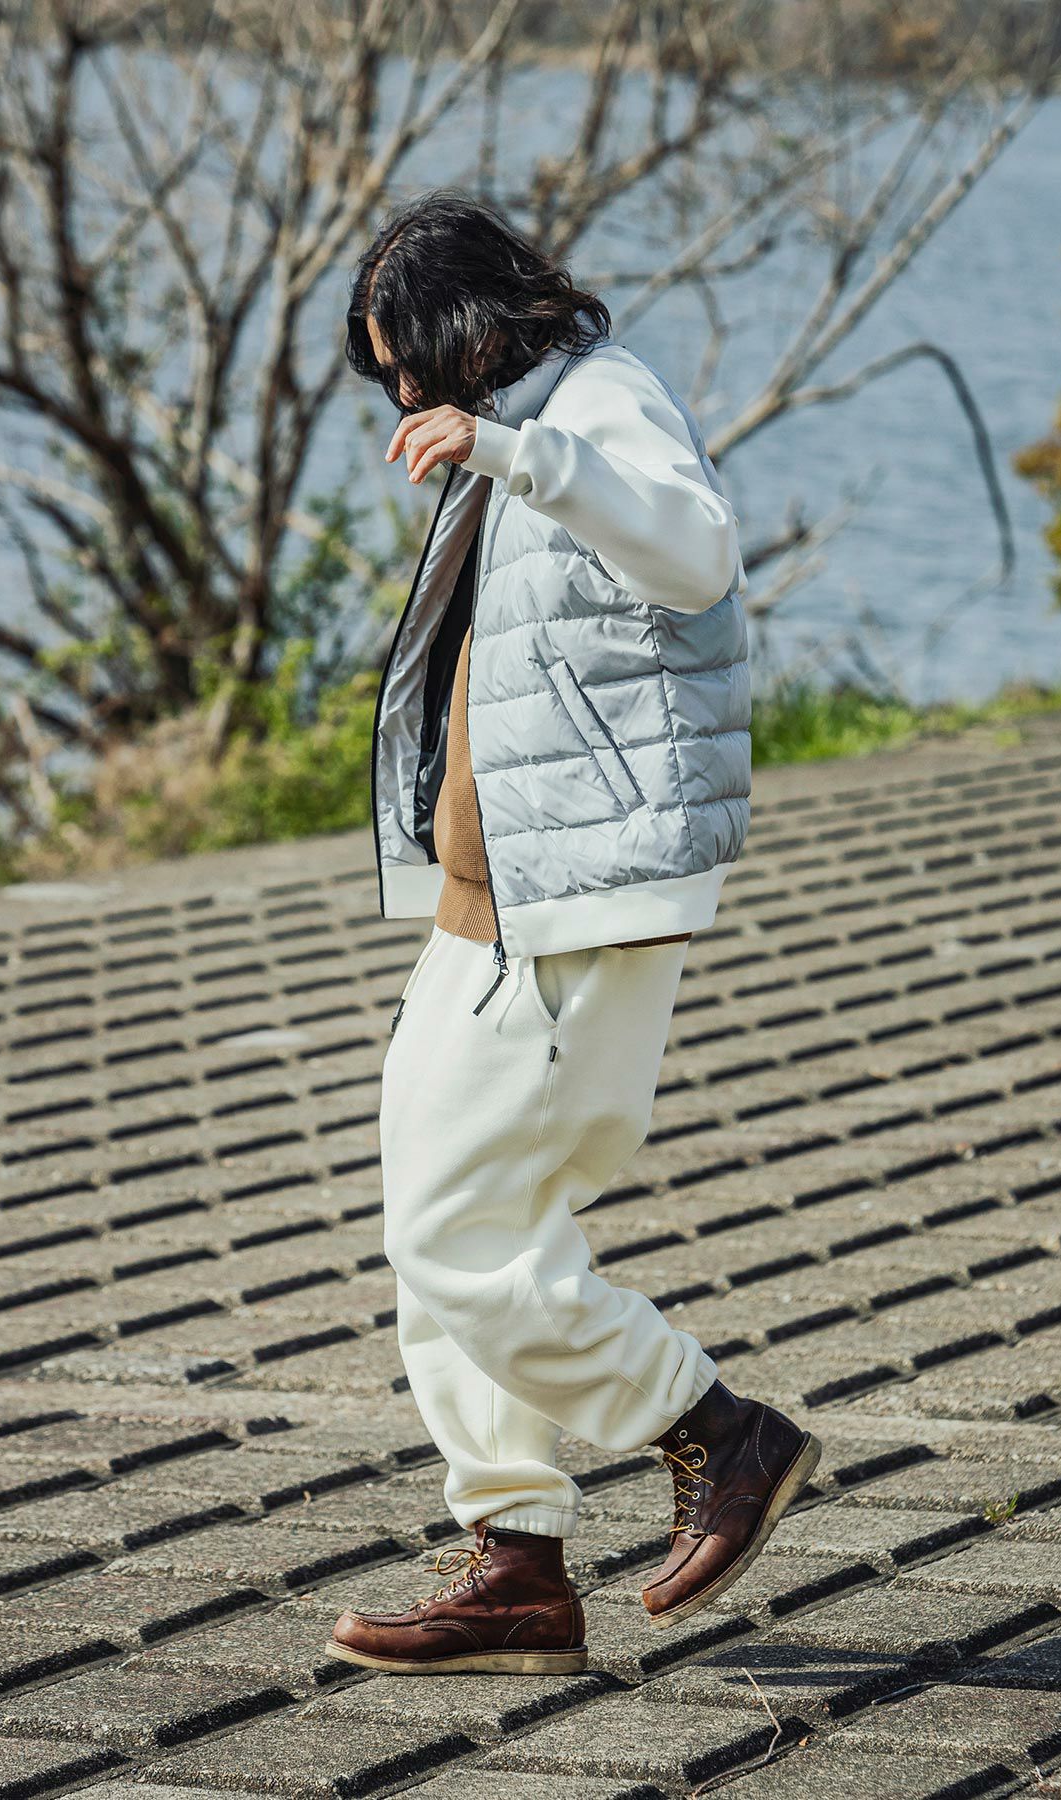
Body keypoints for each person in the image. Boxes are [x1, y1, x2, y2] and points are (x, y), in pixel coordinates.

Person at [326, 187, 820, 1677]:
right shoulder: (524, 423)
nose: (404, 399)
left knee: (458, 1229)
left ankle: (713, 1429)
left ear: (472, 331)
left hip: (583, 898)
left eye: (409, 365)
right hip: (494, 898)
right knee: (437, 1227)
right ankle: (517, 1567)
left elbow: (695, 553)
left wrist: (518, 457)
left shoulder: (596, 406)